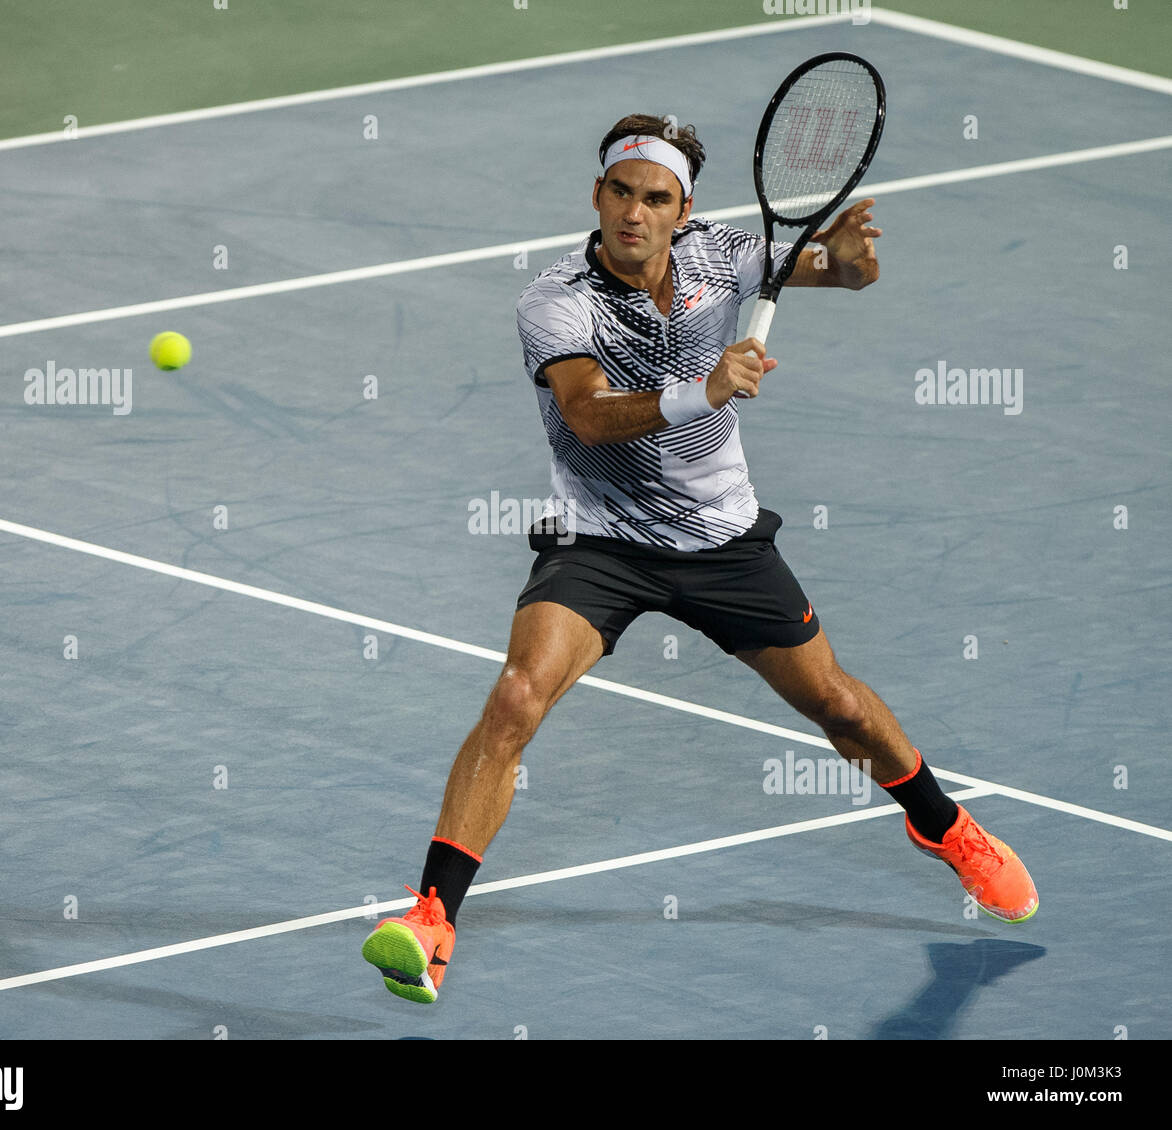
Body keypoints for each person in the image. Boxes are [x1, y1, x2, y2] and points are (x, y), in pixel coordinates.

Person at [362, 113, 1038, 1004]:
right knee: (518, 695)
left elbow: (848, 275)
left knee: (835, 703)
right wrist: (704, 388)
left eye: (655, 198)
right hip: (602, 538)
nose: (633, 214)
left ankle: (946, 828)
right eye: (619, 192)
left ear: (684, 212)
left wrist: (844, 255)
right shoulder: (555, 299)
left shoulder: (729, 255)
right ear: (596, 195)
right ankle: (431, 917)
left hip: (721, 540)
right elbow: (590, 416)